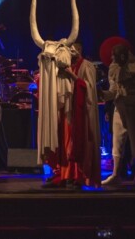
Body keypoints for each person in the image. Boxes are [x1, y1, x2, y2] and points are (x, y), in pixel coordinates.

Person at [41, 40, 102, 188]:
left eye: (73, 50)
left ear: (79, 50)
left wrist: (72, 76)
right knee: (63, 142)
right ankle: (62, 174)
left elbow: (88, 87)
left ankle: (77, 176)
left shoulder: (86, 66)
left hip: (80, 112)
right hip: (66, 111)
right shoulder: (65, 66)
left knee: (76, 142)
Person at [101, 43, 135, 185]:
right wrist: (102, 95)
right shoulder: (114, 68)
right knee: (117, 141)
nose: (112, 58)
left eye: (114, 56)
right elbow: (113, 91)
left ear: (123, 55)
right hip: (119, 106)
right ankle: (116, 173)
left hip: (134, 108)